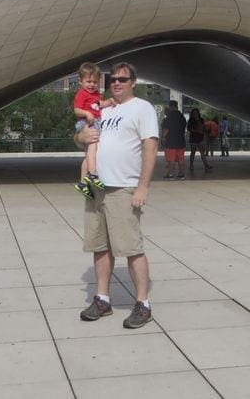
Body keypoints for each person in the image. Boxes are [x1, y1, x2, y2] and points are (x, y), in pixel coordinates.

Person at [77, 62, 158, 329]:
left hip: (123, 188)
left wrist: (142, 186)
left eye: (123, 79)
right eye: (113, 78)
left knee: (131, 248)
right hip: (97, 186)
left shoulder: (142, 108)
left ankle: (142, 303)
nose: (117, 82)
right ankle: (102, 299)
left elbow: (150, 147)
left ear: (133, 82)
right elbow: (82, 136)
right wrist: (81, 137)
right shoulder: (104, 107)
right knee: (100, 246)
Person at [72, 62, 114, 198]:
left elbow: (99, 105)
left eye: (95, 82)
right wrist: (86, 113)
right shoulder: (82, 94)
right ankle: (93, 174)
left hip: (95, 122)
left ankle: (83, 182)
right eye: (88, 81)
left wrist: (109, 102)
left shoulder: (97, 95)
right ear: (80, 81)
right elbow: (76, 110)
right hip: (86, 123)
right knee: (93, 149)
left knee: (88, 155)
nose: (91, 85)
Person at [160, 99, 187, 179]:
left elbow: (166, 129)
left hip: (171, 141)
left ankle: (170, 174)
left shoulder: (169, 116)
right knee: (181, 158)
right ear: (177, 106)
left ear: (170, 106)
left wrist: (163, 137)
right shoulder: (182, 116)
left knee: (171, 158)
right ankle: (181, 173)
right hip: (181, 141)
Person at [187, 108, 211, 172]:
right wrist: (197, 130)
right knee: (193, 153)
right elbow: (188, 129)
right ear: (192, 114)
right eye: (194, 113)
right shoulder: (191, 120)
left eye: (196, 113)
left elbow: (203, 128)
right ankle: (191, 165)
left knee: (202, 153)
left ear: (198, 113)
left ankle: (206, 165)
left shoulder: (201, 120)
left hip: (200, 138)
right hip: (193, 139)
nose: (195, 114)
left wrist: (204, 130)